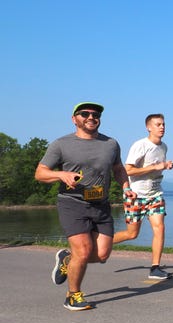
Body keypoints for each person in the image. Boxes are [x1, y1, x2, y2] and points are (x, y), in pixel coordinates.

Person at [35, 102, 137, 311]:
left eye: (95, 114)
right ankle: (73, 296)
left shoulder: (110, 143)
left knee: (101, 255)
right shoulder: (61, 144)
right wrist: (61, 174)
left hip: (101, 205)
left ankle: (66, 260)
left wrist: (126, 188)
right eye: (85, 113)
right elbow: (40, 172)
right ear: (75, 119)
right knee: (83, 251)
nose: (91, 116)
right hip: (72, 204)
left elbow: (118, 169)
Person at [113, 113, 173, 280]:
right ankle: (98, 245)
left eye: (163, 124)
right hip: (136, 195)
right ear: (149, 127)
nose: (162, 127)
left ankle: (155, 268)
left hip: (155, 194)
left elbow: (158, 168)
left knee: (159, 227)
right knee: (132, 234)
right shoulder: (140, 145)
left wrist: (165, 166)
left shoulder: (164, 147)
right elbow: (128, 170)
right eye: (158, 124)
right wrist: (156, 166)